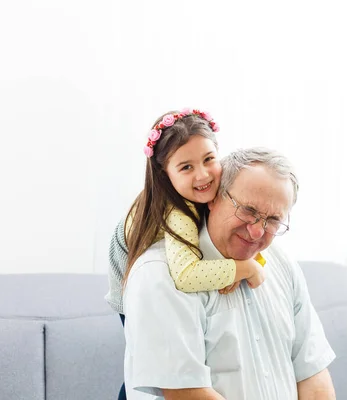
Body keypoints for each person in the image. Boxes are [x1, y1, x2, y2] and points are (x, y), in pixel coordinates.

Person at [121, 147, 336, 399]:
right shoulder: (159, 274)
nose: (257, 231)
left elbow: (312, 372)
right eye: (248, 210)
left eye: (273, 220)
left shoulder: (281, 262)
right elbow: (186, 393)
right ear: (213, 197)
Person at [104, 108, 266, 400]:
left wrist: (251, 258)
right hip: (127, 280)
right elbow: (186, 275)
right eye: (186, 167)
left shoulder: (221, 187)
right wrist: (244, 269)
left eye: (208, 159)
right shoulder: (177, 212)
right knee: (150, 362)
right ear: (165, 174)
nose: (203, 174)